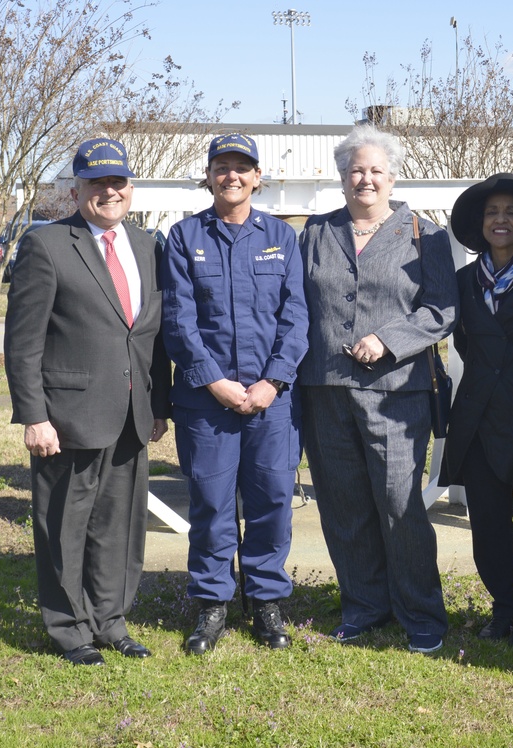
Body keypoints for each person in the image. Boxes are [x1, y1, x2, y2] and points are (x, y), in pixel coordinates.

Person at [4, 138, 171, 665]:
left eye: (118, 181)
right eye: (97, 182)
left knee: (120, 526)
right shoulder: (47, 245)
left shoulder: (146, 245)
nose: (109, 191)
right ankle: (69, 629)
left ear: (131, 188)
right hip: (67, 416)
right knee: (63, 527)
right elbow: (23, 341)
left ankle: (111, 621)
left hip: (130, 413)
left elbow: (152, 336)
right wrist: (33, 415)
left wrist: (159, 404)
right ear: (76, 188)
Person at [298, 124, 457, 655]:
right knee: (343, 504)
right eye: (355, 170)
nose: (365, 179)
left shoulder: (423, 233)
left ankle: (420, 613)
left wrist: (389, 340)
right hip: (325, 388)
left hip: (396, 392)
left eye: (375, 170)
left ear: (393, 177)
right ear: (341, 177)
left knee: (398, 503)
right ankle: (365, 605)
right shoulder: (317, 232)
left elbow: (442, 309)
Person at [160, 133, 309, 655]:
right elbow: (177, 320)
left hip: (273, 401)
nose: (232, 176)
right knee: (212, 502)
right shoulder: (181, 237)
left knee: (272, 501)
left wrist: (272, 381)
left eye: (242, 168)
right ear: (209, 175)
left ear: (258, 177)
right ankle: (212, 603)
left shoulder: (282, 237)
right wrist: (215, 381)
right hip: (207, 401)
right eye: (222, 167)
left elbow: (296, 317)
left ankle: (265, 600)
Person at [438, 173, 513, 646]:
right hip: (478, 419)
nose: (501, 220)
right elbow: (467, 344)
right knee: (487, 522)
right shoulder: (463, 281)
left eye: (511, 212)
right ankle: (503, 607)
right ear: (480, 223)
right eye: (492, 213)